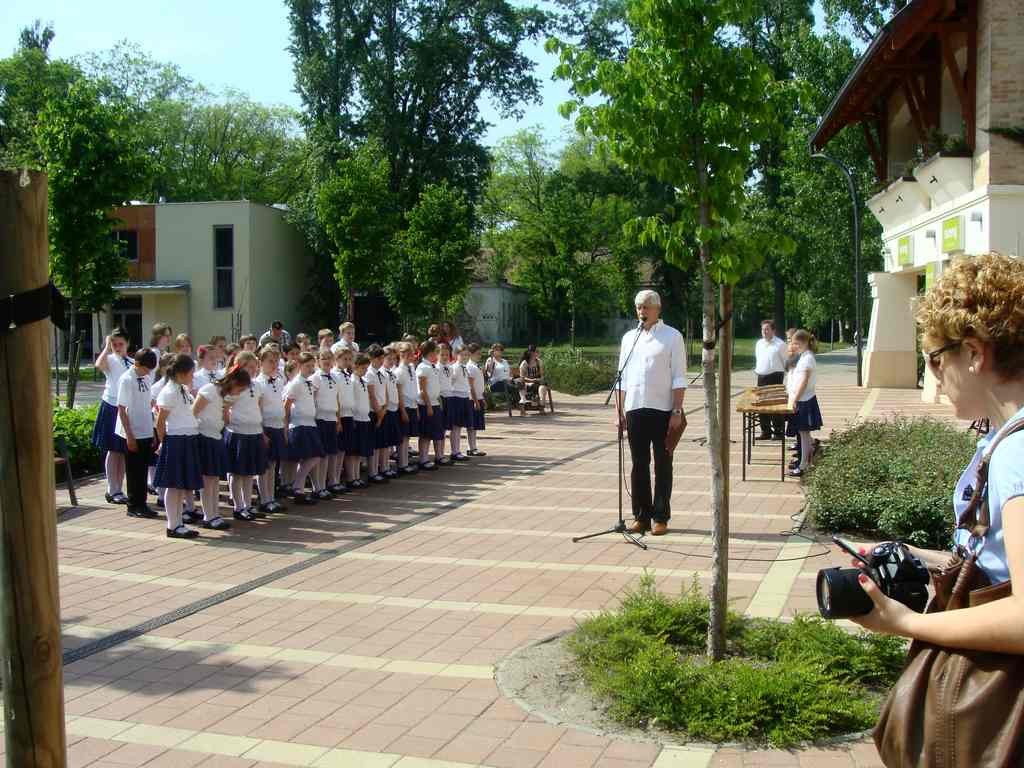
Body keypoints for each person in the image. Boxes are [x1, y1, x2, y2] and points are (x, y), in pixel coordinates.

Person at [848, 253, 1024, 752]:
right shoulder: (1005, 440)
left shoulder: (1016, 453)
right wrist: (915, 556)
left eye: (934, 359)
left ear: (974, 352)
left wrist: (909, 623)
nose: (933, 377)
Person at [616, 290, 686, 536]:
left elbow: (679, 376)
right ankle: (641, 516)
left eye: (646, 307)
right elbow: (622, 379)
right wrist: (619, 412)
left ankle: (660, 516)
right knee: (639, 464)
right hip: (635, 408)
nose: (641, 312)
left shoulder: (672, 337)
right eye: (638, 307)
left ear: (658, 308)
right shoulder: (629, 338)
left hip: (663, 409)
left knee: (663, 464)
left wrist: (676, 410)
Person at [153, 353, 203, 539]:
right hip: (176, 440)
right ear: (182, 373)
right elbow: (160, 422)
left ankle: (179, 522)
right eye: (191, 372)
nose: (193, 375)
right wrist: (163, 442)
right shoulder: (169, 392)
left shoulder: (182, 389)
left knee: (181, 486)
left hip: (187, 439)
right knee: (173, 486)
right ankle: (172, 525)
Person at [193, 366, 246, 531]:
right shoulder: (209, 390)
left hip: (216, 436)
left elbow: (222, 415)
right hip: (204, 437)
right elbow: (193, 412)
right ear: (233, 382)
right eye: (240, 388)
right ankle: (208, 516)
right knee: (207, 479)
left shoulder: (223, 394)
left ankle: (214, 513)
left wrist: (226, 409)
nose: (240, 392)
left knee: (215, 478)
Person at [223, 351, 267, 521]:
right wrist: (229, 425)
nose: (253, 370)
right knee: (237, 472)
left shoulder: (257, 386)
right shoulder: (234, 384)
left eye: (255, 367)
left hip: (254, 432)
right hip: (238, 433)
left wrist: (261, 431)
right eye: (249, 367)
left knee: (249, 473)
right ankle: (238, 506)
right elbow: (225, 407)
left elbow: (258, 408)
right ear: (240, 366)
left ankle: (248, 505)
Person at [115, 348, 159, 519]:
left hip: (145, 428)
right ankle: (133, 505)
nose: (148, 372)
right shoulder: (126, 379)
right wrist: (129, 435)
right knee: (133, 470)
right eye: (146, 368)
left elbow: (149, 405)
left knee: (142, 470)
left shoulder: (146, 378)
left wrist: (153, 430)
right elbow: (121, 409)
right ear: (137, 363)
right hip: (132, 431)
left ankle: (143, 503)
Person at [92, 328, 133, 504]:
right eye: (114, 344)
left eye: (120, 344)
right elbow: (98, 365)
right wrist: (107, 347)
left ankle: (119, 488)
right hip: (111, 406)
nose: (117, 347)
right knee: (112, 449)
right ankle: (112, 488)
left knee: (123, 451)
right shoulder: (109, 359)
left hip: (126, 408)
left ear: (127, 344)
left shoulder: (132, 362)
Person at [284, 352, 324, 504]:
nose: (311, 369)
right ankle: (297, 487)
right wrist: (286, 426)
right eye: (307, 366)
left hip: (310, 424)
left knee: (315, 455)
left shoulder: (308, 382)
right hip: (300, 424)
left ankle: (298, 486)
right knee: (311, 455)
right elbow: (286, 406)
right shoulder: (296, 383)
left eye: (312, 366)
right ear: (299, 366)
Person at [785, 330, 822, 477]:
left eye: (796, 343)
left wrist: (794, 399)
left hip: (804, 400)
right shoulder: (804, 356)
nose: (794, 346)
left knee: (804, 434)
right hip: (802, 399)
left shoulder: (807, 359)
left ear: (804, 343)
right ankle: (805, 462)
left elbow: (803, 382)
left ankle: (804, 465)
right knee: (803, 434)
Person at [255, 346, 288, 511]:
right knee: (265, 465)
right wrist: (261, 432)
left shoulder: (279, 381)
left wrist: (283, 428)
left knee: (274, 464)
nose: (274, 364)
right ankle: (264, 499)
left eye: (276, 361)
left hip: (277, 426)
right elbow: (258, 409)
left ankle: (271, 497)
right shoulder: (258, 383)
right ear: (261, 362)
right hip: (266, 427)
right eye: (270, 361)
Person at [311, 348, 341, 499]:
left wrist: (338, 419)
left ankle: (327, 483)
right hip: (320, 418)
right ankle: (318, 486)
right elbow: (313, 398)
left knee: (330, 454)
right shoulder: (316, 378)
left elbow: (336, 399)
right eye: (323, 358)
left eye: (329, 358)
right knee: (320, 456)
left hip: (331, 419)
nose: (327, 361)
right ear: (318, 361)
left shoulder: (334, 377)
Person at [754, 319, 788, 440]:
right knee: (761, 405)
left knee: (775, 405)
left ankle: (778, 432)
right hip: (761, 376)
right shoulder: (759, 343)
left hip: (775, 376)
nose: (764, 331)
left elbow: (786, 362)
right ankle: (765, 431)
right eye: (763, 329)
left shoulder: (780, 344)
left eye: (767, 329)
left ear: (773, 330)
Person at [416, 340, 445, 470]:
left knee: (435, 432)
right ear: (429, 353)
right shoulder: (423, 367)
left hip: (434, 403)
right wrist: (428, 405)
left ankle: (437, 456)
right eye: (435, 352)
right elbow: (422, 389)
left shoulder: (432, 366)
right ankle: (423, 459)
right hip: (426, 404)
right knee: (425, 434)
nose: (436, 355)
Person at [348, 352, 375, 488]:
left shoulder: (363, 381)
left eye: (366, 368)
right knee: (353, 451)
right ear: (355, 366)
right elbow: (352, 400)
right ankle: (352, 477)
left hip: (365, 418)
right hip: (356, 418)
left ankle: (357, 476)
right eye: (363, 368)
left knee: (359, 452)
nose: (365, 371)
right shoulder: (352, 381)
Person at [365, 344, 390, 483]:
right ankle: (372, 472)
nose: (381, 361)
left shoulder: (381, 372)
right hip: (374, 411)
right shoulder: (369, 373)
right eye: (378, 358)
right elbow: (371, 395)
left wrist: (385, 408)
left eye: (382, 358)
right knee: (374, 444)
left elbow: (384, 392)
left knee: (382, 443)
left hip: (382, 410)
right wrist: (379, 413)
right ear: (371, 358)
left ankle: (383, 468)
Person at [333, 347, 355, 492]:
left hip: (348, 414)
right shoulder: (335, 375)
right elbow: (335, 398)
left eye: (349, 359)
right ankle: (333, 479)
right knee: (338, 449)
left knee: (344, 449)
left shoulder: (347, 374)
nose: (347, 362)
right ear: (337, 359)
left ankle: (339, 478)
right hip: (339, 416)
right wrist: (338, 419)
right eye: (344, 359)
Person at [396, 342, 420, 474]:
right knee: (403, 437)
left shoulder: (411, 368)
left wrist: (415, 407)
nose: (412, 356)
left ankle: (405, 462)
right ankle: (402, 464)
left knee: (408, 437)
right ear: (402, 354)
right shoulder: (399, 371)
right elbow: (399, 392)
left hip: (412, 405)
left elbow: (414, 388)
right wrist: (403, 410)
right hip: (404, 406)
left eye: (412, 353)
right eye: (408, 354)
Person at [381, 346, 403, 480]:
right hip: (386, 409)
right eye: (388, 358)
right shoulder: (382, 373)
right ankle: (383, 467)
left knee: (390, 441)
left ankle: (386, 466)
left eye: (394, 359)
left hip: (394, 408)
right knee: (385, 441)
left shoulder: (392, 373)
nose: (391, 361)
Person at [448, 346, 473, 461]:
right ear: (456, 355)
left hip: (464, 397)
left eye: (467, 355)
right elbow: (450, 382)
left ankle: (457, 450)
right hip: (456, 397)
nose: (465, 357)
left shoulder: (464, 367)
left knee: (459, 427)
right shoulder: (454, 368)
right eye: (462, 355)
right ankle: (454, 451)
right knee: (455, 427)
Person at [466, 343, 487, 457]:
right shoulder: (470, 366)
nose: (480, 355)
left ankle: (473, 447)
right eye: (477, 353)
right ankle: (471, 447)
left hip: (479, 397)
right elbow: (471, 386)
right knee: (471, 425)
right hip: (472, 399)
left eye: (480, 353)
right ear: (470, 354)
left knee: (475, 425)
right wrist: (475, 400)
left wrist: (481, 398)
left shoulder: (476, 366)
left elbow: (479, 384)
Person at [518, 346, 550, 416]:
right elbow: (522, 378)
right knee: (539, 386)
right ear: (532, 353)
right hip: (527, 383)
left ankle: (541, 406)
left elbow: (542, 375)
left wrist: (540, 379)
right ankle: (539, 408)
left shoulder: (539, 362)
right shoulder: (524, 363)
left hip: (537, 382)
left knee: (543, 387)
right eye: (537, 351)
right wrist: (532, 380)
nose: (538, 353)